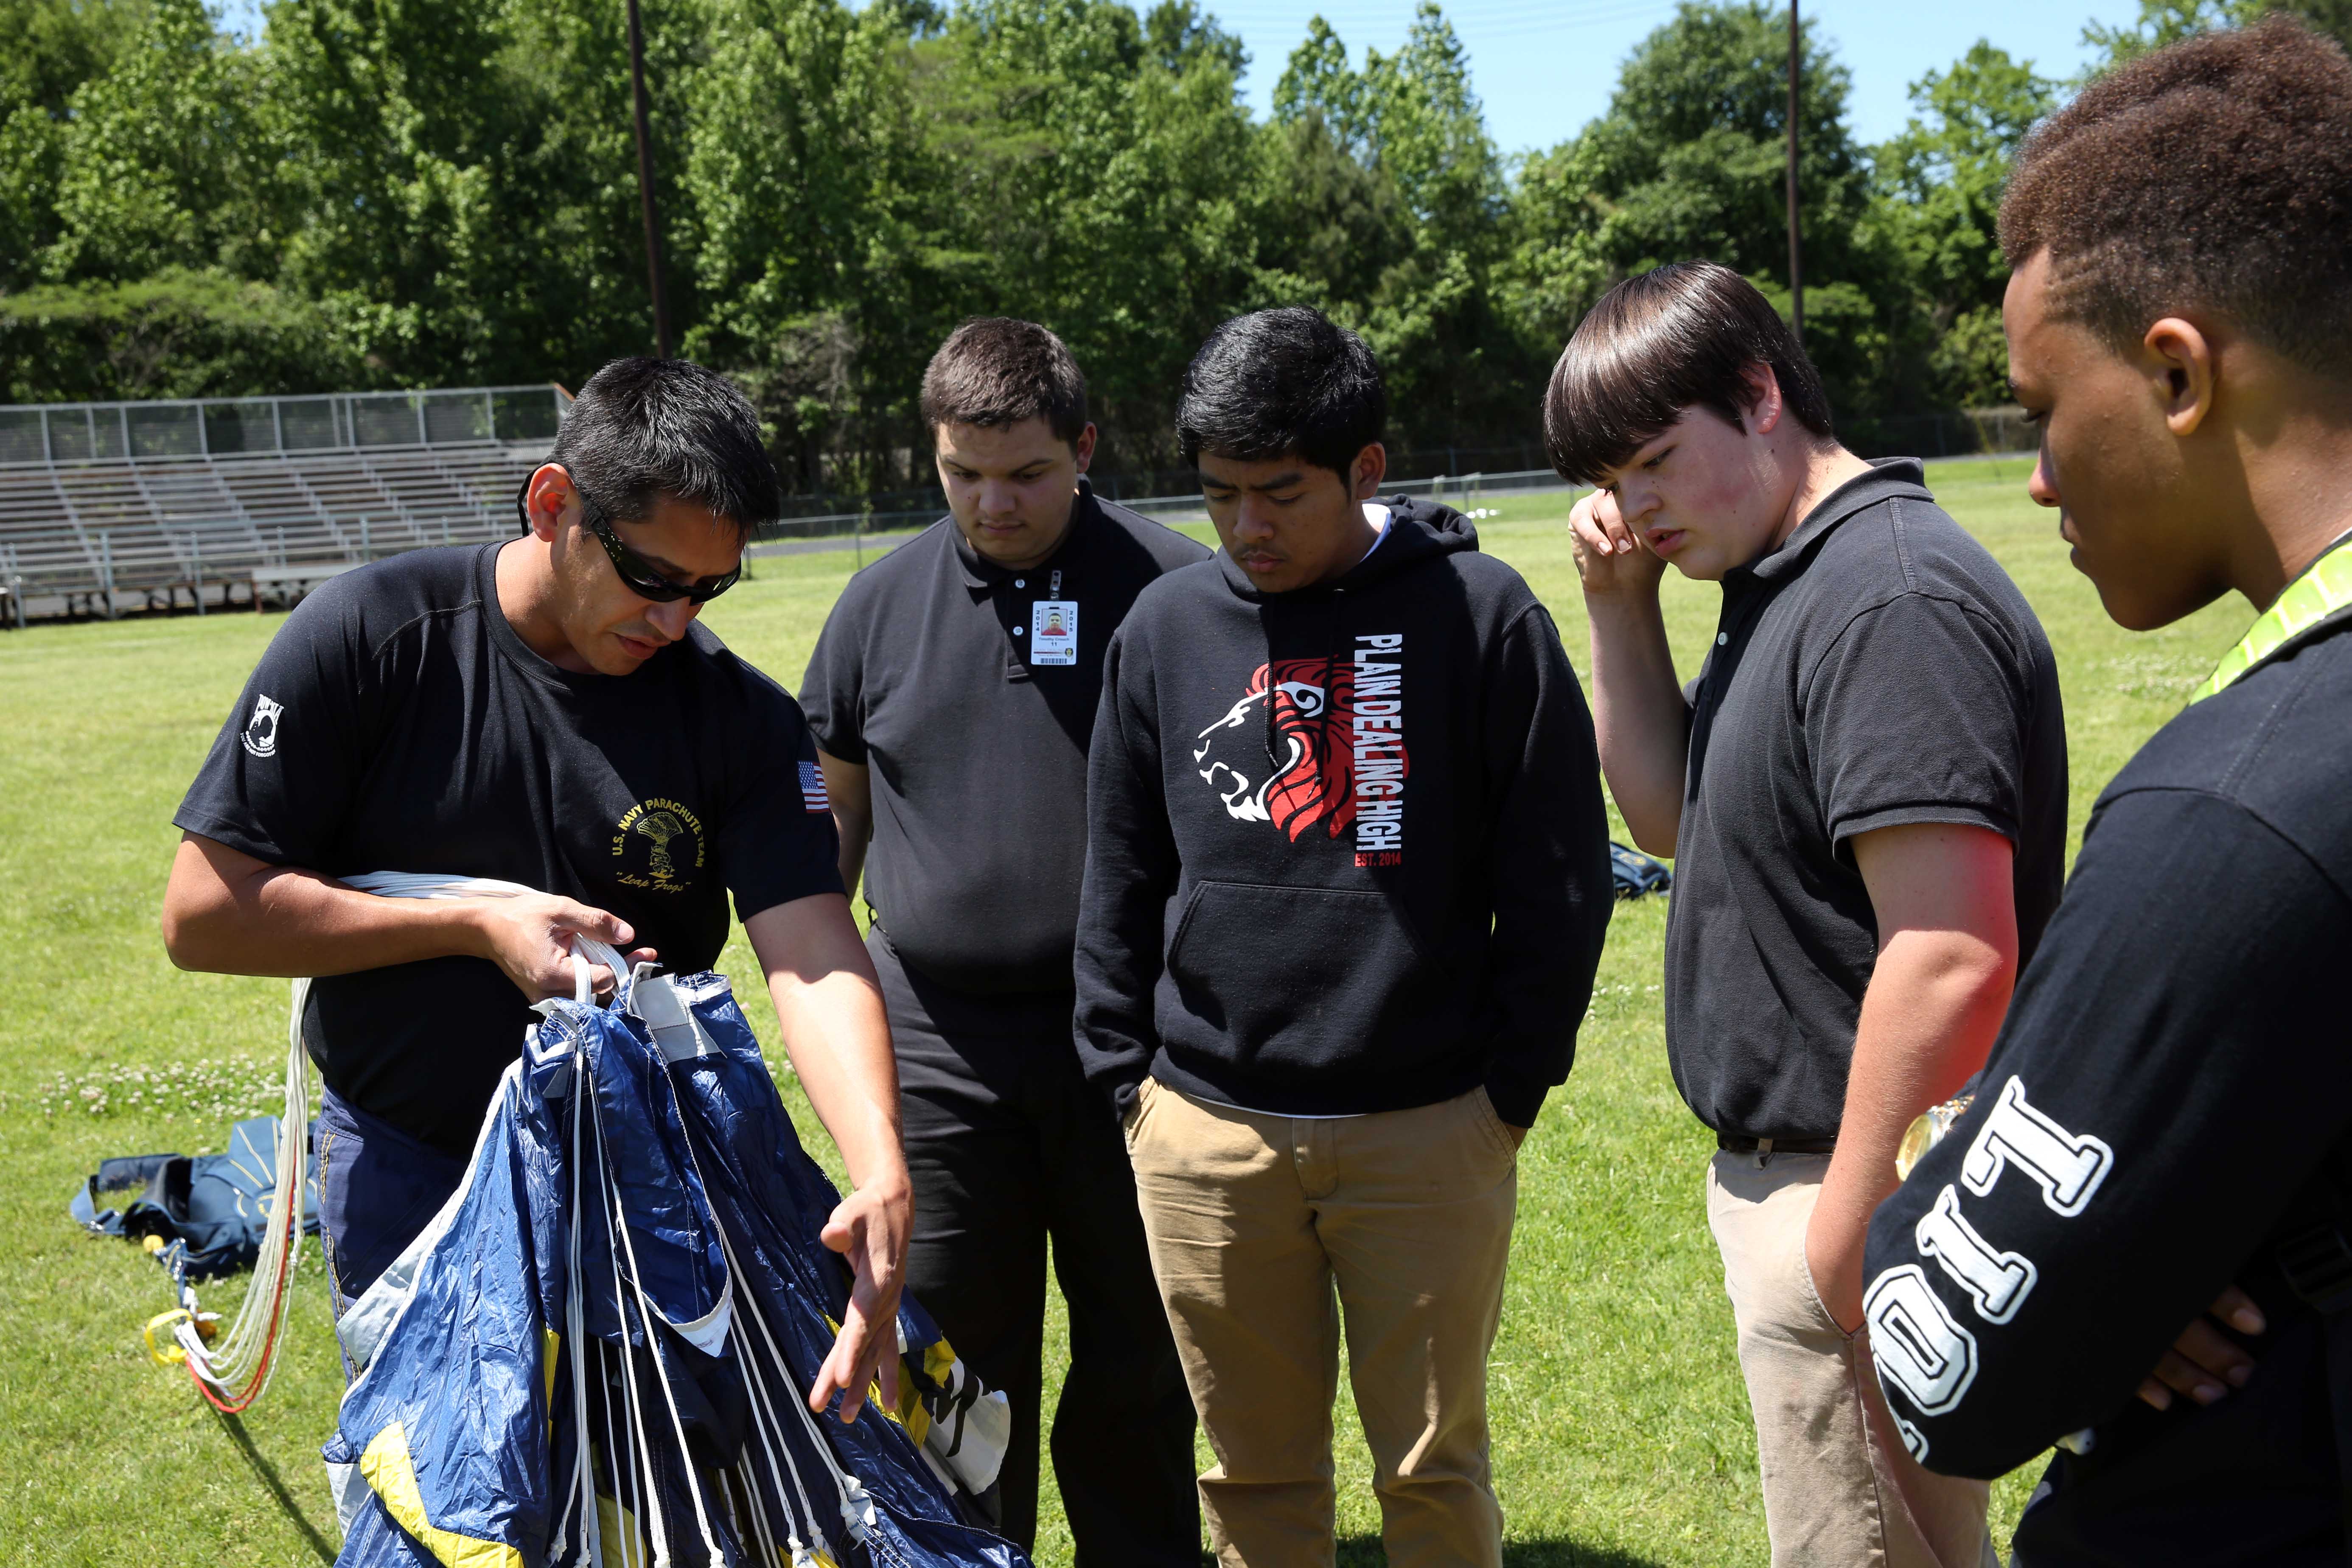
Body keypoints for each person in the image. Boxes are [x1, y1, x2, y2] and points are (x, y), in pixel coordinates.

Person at [160, 357, 910, 1422]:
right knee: (442, 1494)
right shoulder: (376, 637)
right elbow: (203, 912)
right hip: (413, 1165)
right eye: (654, 579)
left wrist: (878, 1161)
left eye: (713, 587)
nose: (678, 620)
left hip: (640, 1168)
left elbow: (812, 948)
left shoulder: (738, 715)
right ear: (554, 506)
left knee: (648, 1490)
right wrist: (474, 923)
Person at [1862, 20, 2352, 1562]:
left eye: (2041, 403)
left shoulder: (2243, 808)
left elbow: (1941, 1347)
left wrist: (2052, 1247)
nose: (2038, 475)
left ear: (2175, 370)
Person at [1074, 305, 1613, 1567]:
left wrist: (1507, 1088)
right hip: (1205, 1129)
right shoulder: (1163, 630)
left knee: (1434, 1478)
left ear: (1366, 472)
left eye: (1280, 493)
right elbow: (1116, 867)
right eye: (1218, 495)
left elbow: (1560, 875)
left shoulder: (1482, 615)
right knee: (1252, 1482)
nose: (1247, 528)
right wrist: (1128, 1085)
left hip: (1425, 1129)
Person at [1548, 262, 2068, 1567]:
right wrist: (1619, 613)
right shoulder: (1784, 573)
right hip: (1818, 1181)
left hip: (1857, 1183)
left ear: (1763, 393)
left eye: (1658, 460)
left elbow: (1952, 957)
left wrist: (1844, 1235)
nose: (1635, 507)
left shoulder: (1886, 599)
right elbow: (1678, 825)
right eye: (1612, 483)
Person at [799, 317, 1206, 1560]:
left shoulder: (1179, 593)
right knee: (951, 1358)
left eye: (1026, 473)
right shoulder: (877, 606)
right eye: (962, 473)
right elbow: (837, 814)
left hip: (1132, 1047)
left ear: (1084, 447)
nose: (994, 502)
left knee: (1145, 1344)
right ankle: (967, 1555)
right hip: (942, 1051)